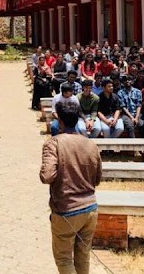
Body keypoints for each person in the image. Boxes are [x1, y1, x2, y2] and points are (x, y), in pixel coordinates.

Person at [40, 99, 101, 274]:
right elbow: (97, 179)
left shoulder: (53, 143)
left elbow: (47, 176)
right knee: (83, 256)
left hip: (66, 210)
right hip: (90, 209)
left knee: (64, 259)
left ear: (59, 120)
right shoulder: (91, 144)